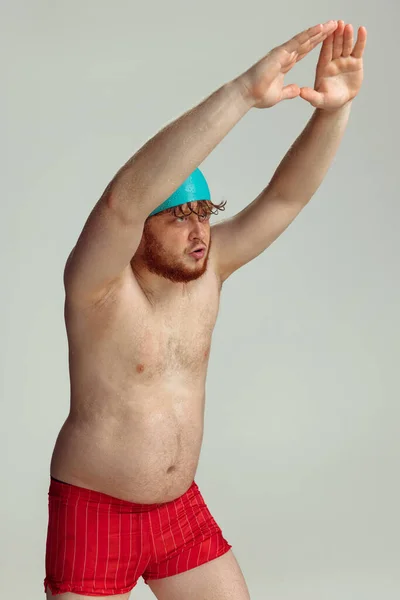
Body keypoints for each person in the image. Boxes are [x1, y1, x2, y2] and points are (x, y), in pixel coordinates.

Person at [44, 19, 367, 599]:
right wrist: (244, 92)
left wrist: (333, 110)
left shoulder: (209, 273)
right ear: (140, 231)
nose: (199, 232)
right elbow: (122, 202)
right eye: (177, 216)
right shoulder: (96, 288)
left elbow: (287, 195)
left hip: (180, 513)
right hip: (97, 516)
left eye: (204, 213)